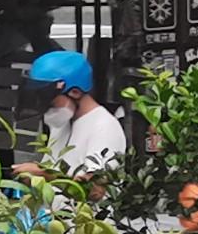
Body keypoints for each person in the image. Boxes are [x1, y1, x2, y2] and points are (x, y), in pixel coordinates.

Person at [25, 49, 127, 177]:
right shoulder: (62, 125)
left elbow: (96, 190)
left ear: (75, 92)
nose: (45, 106)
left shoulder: (104, 127)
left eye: (49, 100)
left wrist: (43, 174)